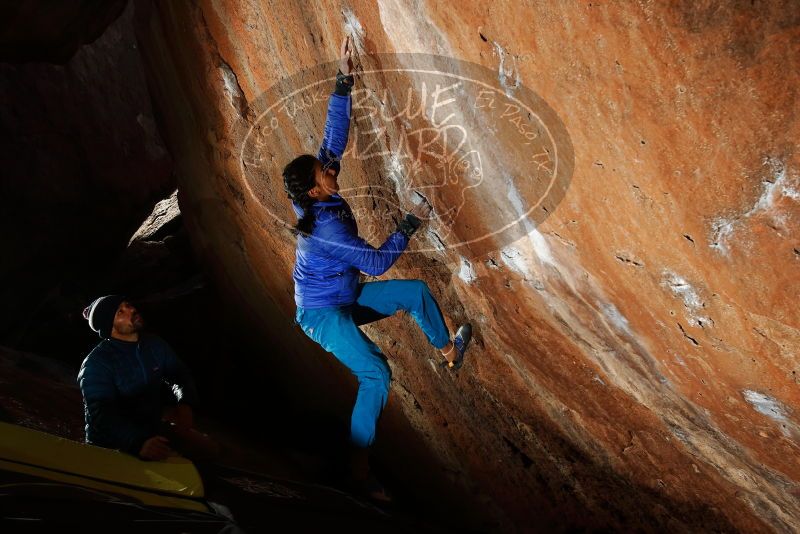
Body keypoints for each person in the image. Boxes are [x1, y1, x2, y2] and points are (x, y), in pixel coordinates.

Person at [283, 36, 472, 500]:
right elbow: (378, 260)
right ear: (314, 192)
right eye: (324, 174)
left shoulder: (316, 189)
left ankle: (447, 351)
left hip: (344, 297)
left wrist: (343, 80)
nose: (331, 171)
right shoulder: (325, 230)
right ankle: (358, 466)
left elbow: (332, 140)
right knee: (377, 374)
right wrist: (410, 222)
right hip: (322, 315)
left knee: (416, 294)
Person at [78, 295, 218, 461]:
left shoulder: (154, 345)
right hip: (114, 442)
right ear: (111, 327)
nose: (131, 310)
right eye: (120, 312)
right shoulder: (97, 364)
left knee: (210, 449)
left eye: (128, 305)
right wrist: (138, 443)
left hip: (150, 427)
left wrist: (185, 405)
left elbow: (179, 375)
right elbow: (102, 416)